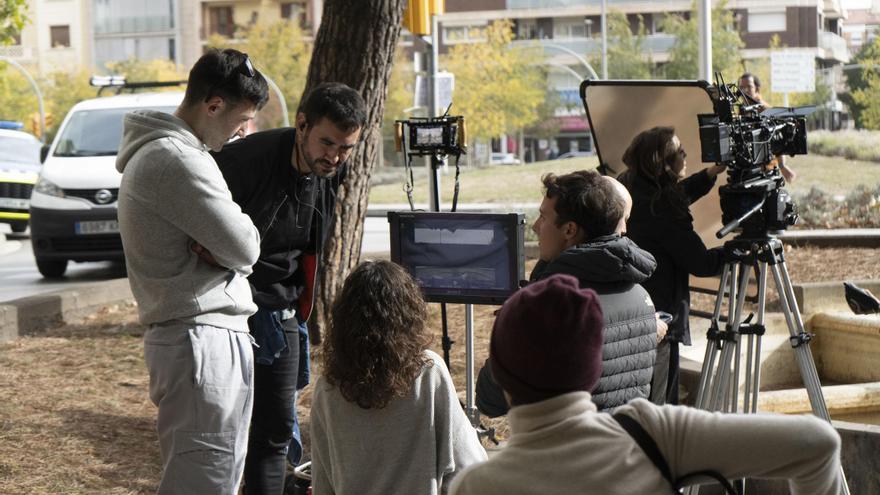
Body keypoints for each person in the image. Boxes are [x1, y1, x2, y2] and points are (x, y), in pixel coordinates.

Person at [449, 274, 843, 495]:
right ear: (591, 368)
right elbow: (817, 443)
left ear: (498, 375)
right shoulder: (652, 433)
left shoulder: (478, 487)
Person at [116, 48, 269, 493]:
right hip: (199, 340)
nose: (243, 132)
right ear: (214, 104)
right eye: (241, 118)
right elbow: (246, 245)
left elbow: (234, 247)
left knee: (214, 477)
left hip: (200, 338)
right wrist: (231, 251)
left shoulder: (176, 153)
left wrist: (224, 249)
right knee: (205, 482)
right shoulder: (177, 159)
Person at [211, 82, 366, 495]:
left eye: (346, 148)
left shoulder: (331, 168)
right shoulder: (244, 161)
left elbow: (311, 245)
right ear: (301, 125)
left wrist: (298, 308)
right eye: (327, 143)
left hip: (284, 311)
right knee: (226, 435)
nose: (333, 157)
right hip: (230, 309)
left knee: (276, 433)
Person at [475, 169, 662, 415]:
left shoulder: (548, 307)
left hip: (561, 450)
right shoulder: (640, 295)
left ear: (569, 230)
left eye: (543, 217)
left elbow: (490, 399)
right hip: (621, 448)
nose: (535, 226)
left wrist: (510, 330)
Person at [310, 260, 487, 495]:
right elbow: (468, 463)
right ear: (407, 312)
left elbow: (323, 483)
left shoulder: (327, 388)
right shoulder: (428, 372)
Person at [619, 126, 726, 405]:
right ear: (663, 164)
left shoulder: (631, 188)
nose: (686, 154)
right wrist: (737, 251)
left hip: (630, 311)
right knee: (659, 406)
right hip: (660, 322)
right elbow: (700, 262)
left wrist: (710, 174)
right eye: (679, 152)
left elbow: (675, 193)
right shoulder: (662, 208)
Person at [738, 72, 796, 183]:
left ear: (757, 89)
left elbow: (778, 137)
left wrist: (782, 166)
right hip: (747, 170)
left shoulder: (765, 110)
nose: (745, 91)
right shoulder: (741, 110)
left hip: (766, 170)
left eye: (749, 87)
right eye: (741, 88)